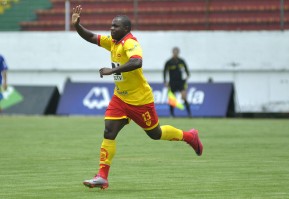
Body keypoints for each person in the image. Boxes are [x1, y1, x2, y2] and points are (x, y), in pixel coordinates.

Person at [72, 5, 203, 190]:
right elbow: (92, 37)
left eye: (115, 26)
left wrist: (112, 70)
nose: (111, 29)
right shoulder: (113, 42)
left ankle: (190, 136)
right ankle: (102, 176)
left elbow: (136, 62)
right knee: (109, 131)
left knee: (155, 134)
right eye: (111, 26)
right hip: (120, 98)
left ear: (126, 29)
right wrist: (77, 25)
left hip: (140, 100)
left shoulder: (130, 43)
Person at [164, 47, 192, 117]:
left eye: (177, 52)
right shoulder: (169, 62)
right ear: (172, 52)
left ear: (178, 53)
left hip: (180, 82)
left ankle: (189, 114)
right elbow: (164, 72)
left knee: (184, 97)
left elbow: (187, 70)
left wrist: (187, 76)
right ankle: (172, 114)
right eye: (174, 52)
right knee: (172, 99)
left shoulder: (181, 61)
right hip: (172, 83)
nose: (175, 54)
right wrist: (165, 81)